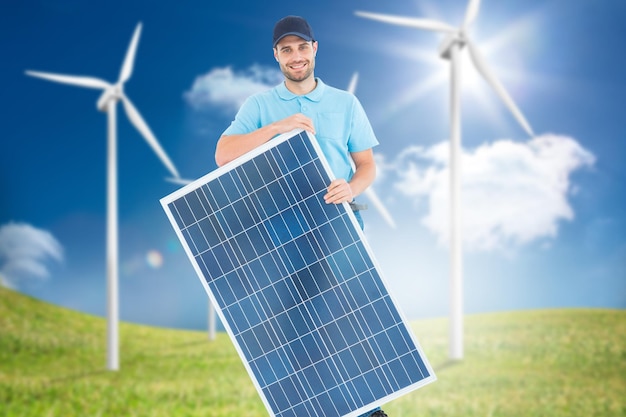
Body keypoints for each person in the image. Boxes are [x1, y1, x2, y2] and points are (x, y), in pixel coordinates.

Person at [215, 15, 387, 417]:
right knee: (293, 332)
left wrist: (352, 188)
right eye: (286, 49)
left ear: (314, 49)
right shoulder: (260, 106)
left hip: (337, 229)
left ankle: (367, 410)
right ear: (276, 55)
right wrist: (277, 127)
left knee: (348, 323)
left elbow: (366, 165)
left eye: (302, 47)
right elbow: (224, 154)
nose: (296, 56)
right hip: (281, 235)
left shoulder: (345, 103)